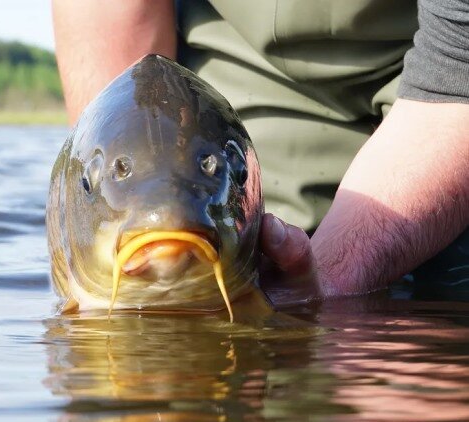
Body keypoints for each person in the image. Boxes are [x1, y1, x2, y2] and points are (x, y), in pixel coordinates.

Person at [52, 0, 469, 299]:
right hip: (222, 102)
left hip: (439, 96)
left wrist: (333, 278)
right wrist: (88, 237)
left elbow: (456, 72)